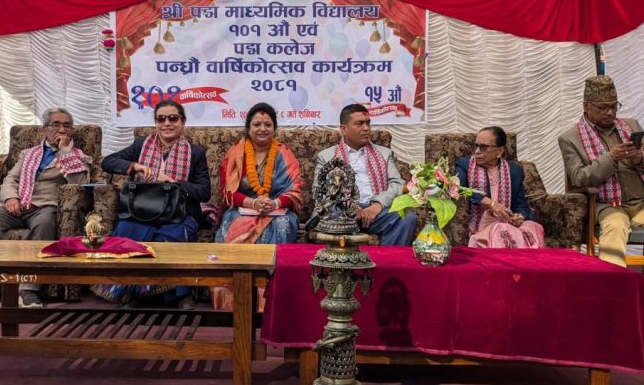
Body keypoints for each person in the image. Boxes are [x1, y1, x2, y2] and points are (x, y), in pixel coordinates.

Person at [558, 75, 644, 318]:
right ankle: (616, 294)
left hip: (643, 203)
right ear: (586, 106)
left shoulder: (631, 126)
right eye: (603, 107)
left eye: (614, 106)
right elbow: (579, 178)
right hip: (605, 204)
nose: (610, 112)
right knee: (616, 225)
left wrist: (639, 158)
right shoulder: (570, 138)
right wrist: (611, 159)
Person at [0, 108, 92, 309]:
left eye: (67, 125)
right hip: (17, 203)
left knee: (45, 223)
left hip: (46, 206)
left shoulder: (78, 156)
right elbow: (11, 179)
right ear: (45, 129)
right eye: (56, 124)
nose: (62, 129)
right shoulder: (28, 154)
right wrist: (10, 197)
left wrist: (65, 152)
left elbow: (79, 183)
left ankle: (29, 289)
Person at [96, 100, 211, 309]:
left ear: (183, 122)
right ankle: (133, 291)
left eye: (173, 118)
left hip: (179, 212)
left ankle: (179, 294)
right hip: (142, 210)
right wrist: (135, 166)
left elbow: (204, 192)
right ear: (156, 122)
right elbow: (108, 162)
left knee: (170, 237)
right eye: (161, 119)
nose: (167, 123)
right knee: (127, 231)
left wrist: (175, 184)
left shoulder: (195, 152)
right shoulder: (141, 145)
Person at [314, 104, 417, 246]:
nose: (366, 128)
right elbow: (319, 190)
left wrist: (379, 204)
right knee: (332, 215)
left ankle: (389, 260)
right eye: (359, 124)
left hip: (376, 211)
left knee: (407, 218)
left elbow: (397, 183)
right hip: (340, 213)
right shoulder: (326, 156)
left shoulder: (384, 153)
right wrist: (347, 206)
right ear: (344, 129)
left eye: (368, 123)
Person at [216, 103, 303, 244]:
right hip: (243, 208)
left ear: (274, 129)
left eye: (268, 125)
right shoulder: (236, 154)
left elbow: (295, 192)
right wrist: (253, 203)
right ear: (248, 128)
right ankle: (236, 259)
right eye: (257, 124)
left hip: (277, 209)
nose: (262, 129)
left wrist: (274, 203)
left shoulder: (285, 154)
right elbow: (228, 192)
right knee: (234, 220)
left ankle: (277, 259)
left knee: (282, 223)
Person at [454, 126, 545, 249]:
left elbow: (521, 205)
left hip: (508, 224)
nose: (477, 151)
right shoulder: (465, 165)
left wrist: (520, 216)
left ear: (500, 151)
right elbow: (458, 188)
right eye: (476, 146)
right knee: (500, 228)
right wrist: (490, 203)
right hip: (483, 225)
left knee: (533, 227)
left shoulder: (514, 171)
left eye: (484, 147)